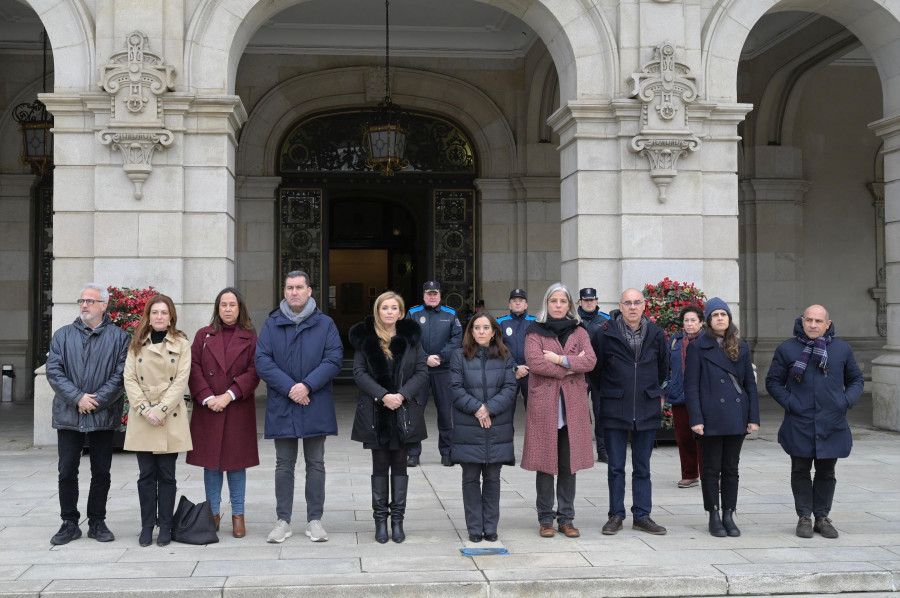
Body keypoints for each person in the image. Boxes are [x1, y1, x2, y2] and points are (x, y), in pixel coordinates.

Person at [256, 270, 343, 544]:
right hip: (284, 404)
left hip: (314, 402)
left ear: (309, 291)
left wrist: (306, 386)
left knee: (316, 463)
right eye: (290, 287)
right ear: (284, 291)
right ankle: (283, 520)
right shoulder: (272, 324)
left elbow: (333, 359)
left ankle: (314, 520)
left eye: (299, 287)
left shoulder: (325, 324)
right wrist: (291, 389)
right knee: (284, 464)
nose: (294, 292)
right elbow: (262, 360)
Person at [766, 304, 864, 540]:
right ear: (802, 321)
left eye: (818, 321)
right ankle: (804, 517)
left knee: (826, 472)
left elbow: (856, 379)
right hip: (799, 422)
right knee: (800, 470)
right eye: (808, 320)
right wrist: (791, 402)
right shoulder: (787, 349)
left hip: (832, 422)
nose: (812, 325)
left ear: (827, 324)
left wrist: (845, 401)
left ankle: (822, 517)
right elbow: (773, 382)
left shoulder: (841, 349)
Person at [46, 283, 130, 545]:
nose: (84, 305)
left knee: (101, 471)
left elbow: (121, 375)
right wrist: (77, 398)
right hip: (69, 415)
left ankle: (97, 521)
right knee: (67, 470)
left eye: (90, 301)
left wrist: (95, 402)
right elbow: (54, 372)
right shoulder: (62, 335)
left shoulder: (119, 338)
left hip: (102, 416)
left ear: (104, 306)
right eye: (81, 300)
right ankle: (69, 522)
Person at [589, 288, 669, 536]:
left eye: (637, 302)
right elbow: (595, 371)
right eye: (627, 303)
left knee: (642, 467)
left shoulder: (656, 334)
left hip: (646, 407)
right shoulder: (604, 334)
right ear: (620, 306)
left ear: (644, 305)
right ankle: (616, 515)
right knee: (615, 467)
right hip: (615, 408)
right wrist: (612, 392)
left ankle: (642, 515)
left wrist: (648, 390)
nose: (632, 307)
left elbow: (663, 370)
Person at [349, 291, 428, 544]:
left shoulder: (411, 339)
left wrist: (401, 395)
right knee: (380, 466)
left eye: (394, 308)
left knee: (401, 465)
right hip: (377, 413)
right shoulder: (367, 339)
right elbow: (359, 372)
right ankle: (380, 521)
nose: (390, 312)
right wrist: (384, 395)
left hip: (403, 412)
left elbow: (422, 370)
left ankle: (397, 521)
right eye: (385, 308)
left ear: (401, 312)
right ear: (378, 311)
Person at [521, 283, 596, 538]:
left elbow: (591, 361)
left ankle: (566, 518)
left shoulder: (579, 330)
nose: (558, 305)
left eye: (563, 301)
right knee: (545, 463)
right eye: (554, 301)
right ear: (547, 303)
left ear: (569, 305)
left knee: (568, 464)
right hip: (545, 405)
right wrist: (572, 367)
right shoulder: (535, 331)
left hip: (572, 406)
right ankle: (545, 518)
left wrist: (558, 359)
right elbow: (535, 362)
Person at [187, 287, 261, 539]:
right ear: (217, 308)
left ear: (240, 308)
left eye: (232, 304)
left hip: (237, 407)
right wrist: (208, 397)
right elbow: (193, 367)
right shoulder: (203, 336)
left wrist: (228, 395)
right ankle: (213, 515)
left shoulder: (250, 337)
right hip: (209, 408)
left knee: (237, 465)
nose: (228, 309)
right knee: (212, 465)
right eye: (223, 305)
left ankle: (238, 515)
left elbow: (254, 371)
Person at [684, 298, 760, 537]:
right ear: (708, 319)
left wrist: (753, 417)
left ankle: (729, 513)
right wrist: (696, 418)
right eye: (715, 314)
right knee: (710, 468)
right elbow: (691, 386)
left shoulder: (742, 347)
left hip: (736, 416)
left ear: (729, 318)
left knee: (731, 468)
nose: (720, 318)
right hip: (710, 417)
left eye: (724, 314)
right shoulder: (698, 347)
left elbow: (749, 385)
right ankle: (714, 514)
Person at [123, 294, 193, 547]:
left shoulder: (182, 344)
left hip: (169, 415)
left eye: (164, 313)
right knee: (145, 475)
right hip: (143, 415)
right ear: (148, 316)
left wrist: (161, 410)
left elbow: (181, 380)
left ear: (171, 316)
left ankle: (165, 525)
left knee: (167, 474)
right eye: (155, 313)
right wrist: (145, 409)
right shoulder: (137, 343)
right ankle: (146, 526)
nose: (159, 317)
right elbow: (129, 379)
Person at [449, 312, 517, 543]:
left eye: (485, 327)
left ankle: (491, 527)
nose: (480, 331)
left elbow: (510, 388)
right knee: (470, 479)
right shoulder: (459, 356)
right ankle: (474, 528)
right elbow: (455, 388)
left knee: (492, 479)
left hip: (496, 426)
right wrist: (478, 409)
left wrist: (489, 408)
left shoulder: (506, 356)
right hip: (469, 426)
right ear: (470, 331)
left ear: (494, 331)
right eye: (476, 327)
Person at [406, 281, 463, 467]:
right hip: (419, 370)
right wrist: (425, 358)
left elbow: (457, 339)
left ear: (440, 295)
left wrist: (440, 356)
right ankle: (413, 453)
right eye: (429, 293)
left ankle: (447, 452)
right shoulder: (413, 313)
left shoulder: (451, 314)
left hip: (443, 369)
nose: (432, 296)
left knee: (446, 413)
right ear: (423, 295)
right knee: (416, 412)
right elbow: (408, 338)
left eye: (435, 293)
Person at [666, 305, 705, 488]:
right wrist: (667, 386)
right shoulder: (675, 341)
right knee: (683, 437)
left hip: (702, 396)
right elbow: (665, 366)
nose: (689, 324)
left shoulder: (708, 341)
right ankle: (689, 474)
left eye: (693, 320)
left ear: (701, 322)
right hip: (680, 394)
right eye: (686, 320)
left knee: (705, 438)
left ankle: (710, 475)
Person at [577, 287, 610, 462]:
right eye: (586, 300)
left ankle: (603, 451)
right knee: (579, 414)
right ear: (580, 302)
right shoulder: (572, 320)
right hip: (578, 373)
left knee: (601, 412)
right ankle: (580, 452)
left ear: (596, 301)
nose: (589, 303)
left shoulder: (607, 320)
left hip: (599, 373)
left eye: (592, 300)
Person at [496, 289, 535, 409]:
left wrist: (527, 367)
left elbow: (539, 348)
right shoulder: (500, 322)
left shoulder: (535, 322)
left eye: (521, 300)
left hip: (531, 373)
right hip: (509, 372)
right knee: (506, 409)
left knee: (533, 410)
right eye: (514, 300)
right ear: (509, 305)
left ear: (526, 305)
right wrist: (515, 367)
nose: (517, 303)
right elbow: (497, 347)